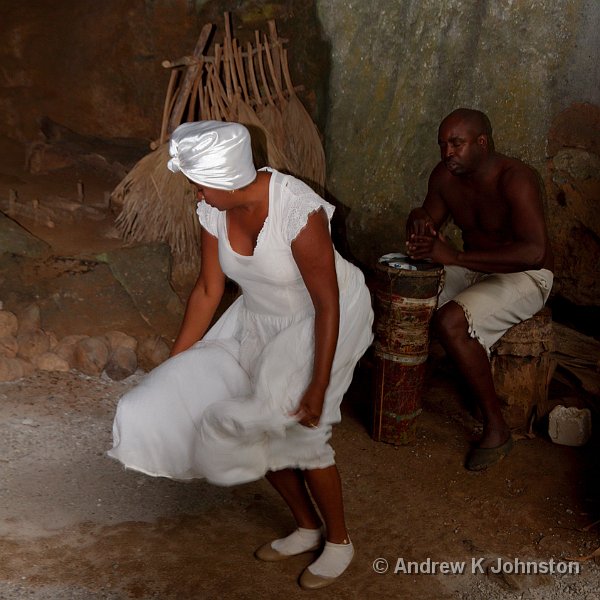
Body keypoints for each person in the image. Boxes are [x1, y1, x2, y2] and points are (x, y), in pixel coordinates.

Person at [108, 120, 374, 589]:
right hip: (257, 319)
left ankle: (338, 542)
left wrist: (317, 383)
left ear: (227, 180)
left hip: (322, 317)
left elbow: (327, 302)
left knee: (299, 432)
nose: (195, 195)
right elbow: (210, 289)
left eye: (199, 186)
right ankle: (305, 526)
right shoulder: (213, 211)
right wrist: (174, 366)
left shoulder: (297, 212)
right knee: (252, 424)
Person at [405, 108, 554, 471]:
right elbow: (428, 217)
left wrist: (454, 255)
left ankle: (497, 428)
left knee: (451, 322)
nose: (447, 153)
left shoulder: (515, 178)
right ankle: (405, 395)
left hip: (528, 275)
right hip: (473, 267)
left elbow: (534, 251)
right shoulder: (444, 176)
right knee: (409, 298)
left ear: (482, 143)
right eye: (443, 145)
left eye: (456, 144)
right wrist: (419, 224)